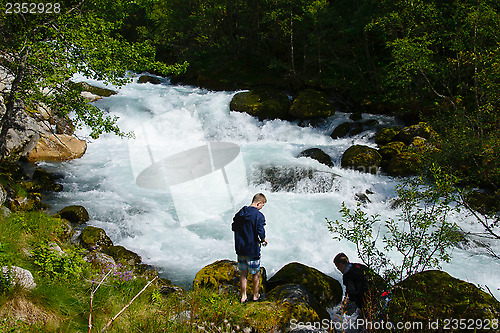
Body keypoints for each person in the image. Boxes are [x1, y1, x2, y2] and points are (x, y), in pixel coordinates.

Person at [232, 193, 268, 303]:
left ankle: (243, 297)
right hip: (252, 250)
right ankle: (256, 296)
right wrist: (263, 239)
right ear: (259, 203)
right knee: (255, 274)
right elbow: (260, 230)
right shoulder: (259, 215)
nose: (262, 208)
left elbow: (234, 227)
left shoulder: (240, 213)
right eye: (262, 205)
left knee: (243, 273)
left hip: (240, 248)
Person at [334, 253, 384, 317]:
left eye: (337, 266)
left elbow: (353, 294)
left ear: (341, 264)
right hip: (382, 290)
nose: (338, 269)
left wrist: (344, 306)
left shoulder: (348, 276)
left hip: (373, 300)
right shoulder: (358, 266)